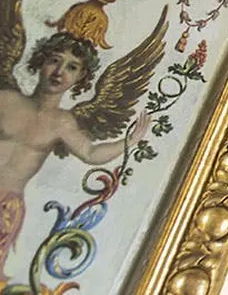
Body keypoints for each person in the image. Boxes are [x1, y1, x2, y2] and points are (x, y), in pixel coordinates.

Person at [0, 33, 151, 283]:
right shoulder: (7, 100)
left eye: (71, 67)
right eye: (54, 61)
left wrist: (130, 141)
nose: (59, 72)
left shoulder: (62, 123)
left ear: (80, 77)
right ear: (41, 61)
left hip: (5, 208)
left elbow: (90, 154)